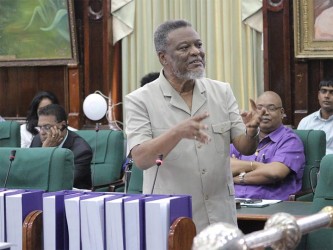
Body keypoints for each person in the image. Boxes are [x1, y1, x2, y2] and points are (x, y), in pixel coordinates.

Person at [125, 19, 264, 233]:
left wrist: (252, 131)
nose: (196, 52)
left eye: (198, 45)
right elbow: (142, 159)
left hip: (220, 216)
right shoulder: (140, 100)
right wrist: (178, 132)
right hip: (173, 219)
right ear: (163, 58)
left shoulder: (222, 91)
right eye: (184, 47)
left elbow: (246, 147)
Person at [230, 91, 305, 200]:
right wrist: (256, 166)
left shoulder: (290, 140)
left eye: (271, 108)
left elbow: (274, 173)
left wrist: (235, 177)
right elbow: (223, 166)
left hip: (269, 207)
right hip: (234, 204)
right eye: (259, 108)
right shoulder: (243, 138)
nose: (265, 112)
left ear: (282, 113)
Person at [30, 104, 92, 189]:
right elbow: (29, 174)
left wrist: (46, 152)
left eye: (47, 127)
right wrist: (45, 151)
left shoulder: (81, 151)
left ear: (62, 125)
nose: (42, 132)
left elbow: (63, 182)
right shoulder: (37, 141)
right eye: (40, 127)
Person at [298, 79, 333, 154]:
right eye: (323, 91)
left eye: (332, 92)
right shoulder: (306, 122)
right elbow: (297, 149)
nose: (327, 96)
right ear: (318, 95)